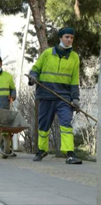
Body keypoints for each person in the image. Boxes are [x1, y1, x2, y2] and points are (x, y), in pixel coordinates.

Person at [29, 27, 82, 164]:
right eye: (66, 37)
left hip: (64, 98)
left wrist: (75, 98)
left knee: (66, 124)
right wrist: (32, 77)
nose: (69, 39)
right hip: (46, 95)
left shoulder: (74, 57)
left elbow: (74, 80)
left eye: (71, 37)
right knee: (44, 125)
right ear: (60, 38)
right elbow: (35, 69)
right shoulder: (47, 54)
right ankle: (42, 150)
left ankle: (70, 154)